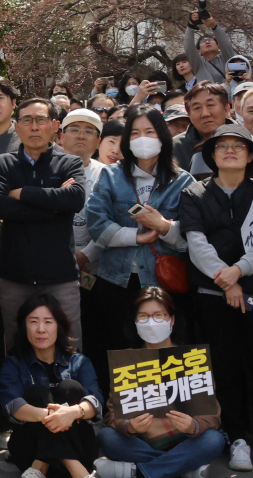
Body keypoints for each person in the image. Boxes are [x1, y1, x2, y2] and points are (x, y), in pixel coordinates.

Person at [86, 105, 196, 393]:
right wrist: (136, 237)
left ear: (162, 136)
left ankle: (169, 417)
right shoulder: (110, 176)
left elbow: (192, 238)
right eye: (135, 132)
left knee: (164, 352)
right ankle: (123, 418)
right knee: (120, 349)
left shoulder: (183, 181)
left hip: (164, 283)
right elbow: (97, 225)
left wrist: (163, 227)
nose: (142, 138)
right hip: (116, 281)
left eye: (149, 131)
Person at [180, 123, 253, 472]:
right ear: (212, 155)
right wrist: (226, 281)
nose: (229, 150)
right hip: (212, 293)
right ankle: (235, 435)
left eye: (238, 146)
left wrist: (238, 271)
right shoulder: (195, 193)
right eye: (221, 145)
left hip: (250, 290)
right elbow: (196, 243)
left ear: (250, 155)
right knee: (222, 365)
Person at [95, 288, 227, 478]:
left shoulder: (192, 359)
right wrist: (129, 426)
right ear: (135, 322)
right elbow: (112, 416)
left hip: (187, 441)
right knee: (107, 437)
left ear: (171, 320)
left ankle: (140, 473)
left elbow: (213, 416)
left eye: (159, 315)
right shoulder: (127, 362)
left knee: (214, 440)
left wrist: (193, 426)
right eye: (143, 317)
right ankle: (181, 468)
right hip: (142, 443)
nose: (151, 322)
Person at [0, 97, 86, 350]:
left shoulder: (70, 162)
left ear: (55, 126)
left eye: (41, 120)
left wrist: (23, 193)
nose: (34, 127)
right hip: (15, 275)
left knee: (70, 343)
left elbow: (75, 200)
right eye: (27, 120)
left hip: (60, 275)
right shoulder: (3, 164)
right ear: (16, 126)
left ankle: (72, 390)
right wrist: (55, 205)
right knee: (15, 344)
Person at [0, 295, 102, 478]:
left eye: (48, 322)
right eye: (33, 322)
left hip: (79, 447)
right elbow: (11, 405)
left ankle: (39, 469)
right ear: (24, 326)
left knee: (70, 388)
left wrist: (73, 413)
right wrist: (54, 416)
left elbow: (96, 402)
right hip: (30, 450)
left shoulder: (78, 362)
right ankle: (79, 473)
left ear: (59, 326)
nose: (40, 329)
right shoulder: (14, 363)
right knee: (37, 393)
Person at [59, 110, 112, 391]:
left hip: (96, 270)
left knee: (95, 336)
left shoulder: (108, 175)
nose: (81, 135)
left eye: (89, 131)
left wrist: (85, 255)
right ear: (61, 135)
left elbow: (111, 223)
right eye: (74, 129)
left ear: (99, 140)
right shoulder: (46, 168)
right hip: (53, 269)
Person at [174, 82, 231, 169]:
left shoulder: (246, 141)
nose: (205, 114)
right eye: (197, 108)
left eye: (210, 105)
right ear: (189, 114)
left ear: (226, 109)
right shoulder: (176, 147)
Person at [184, 9, 238, 86]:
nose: (207, 42)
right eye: (203, 41)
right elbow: (188, 48)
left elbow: (226, 44)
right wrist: (191, 24)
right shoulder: (198, 64)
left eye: (210, 40)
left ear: (218, 45)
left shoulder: (226, 58)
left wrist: (214, 26)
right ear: (199, 51)